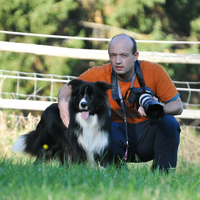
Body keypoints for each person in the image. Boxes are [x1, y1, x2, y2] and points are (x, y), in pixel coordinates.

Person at [58, 34, 183, 172]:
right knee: (101, 123)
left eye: (124, 55)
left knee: (169, 122)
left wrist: (158, 109)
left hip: (145, 134)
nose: (117, 61)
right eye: (113, 55)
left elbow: (177, 105)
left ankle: (162, 175)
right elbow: (68, 87)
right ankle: (116, 172)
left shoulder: (154, 71)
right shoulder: (98, 73)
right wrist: (62, 102)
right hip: (114, 134)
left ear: (135, 56)